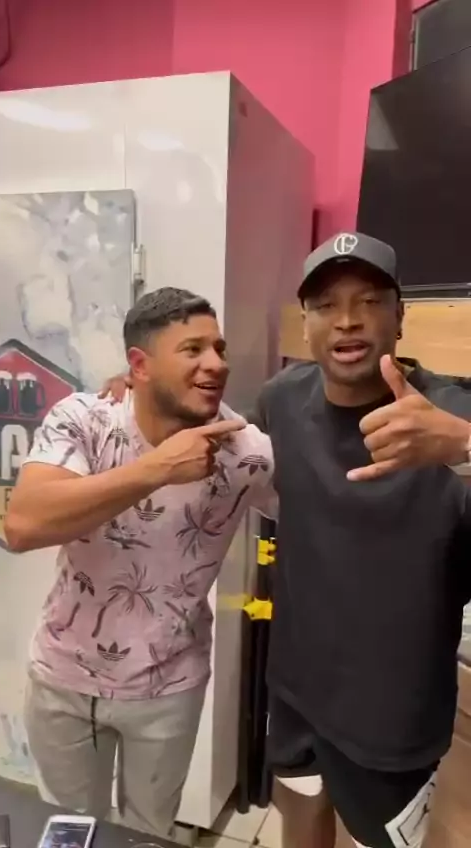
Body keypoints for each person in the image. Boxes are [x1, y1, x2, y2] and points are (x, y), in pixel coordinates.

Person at [102, 233, 471, 848]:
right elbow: (215, 434)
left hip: (393, 712)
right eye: (326, 305)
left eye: (369, 301)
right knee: (299, 824)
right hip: (297, 687)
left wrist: (463, 446)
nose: (347, 320)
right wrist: (145, 385)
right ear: (306, 322)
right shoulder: (282, 399)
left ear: (400, 315)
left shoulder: (451, 414)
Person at [5, 287, 275, 838]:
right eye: (193, 349)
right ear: (139, 365)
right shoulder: (84, 418)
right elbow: (23, 524)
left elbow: (323, 517)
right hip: (63, 677)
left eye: (219, 349)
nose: (216, 364)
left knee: (148, 835)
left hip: (168, 685)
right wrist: (157, 469)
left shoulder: (248, 452)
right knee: (68, 831)